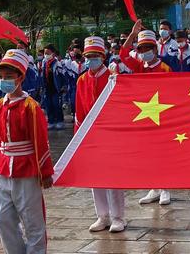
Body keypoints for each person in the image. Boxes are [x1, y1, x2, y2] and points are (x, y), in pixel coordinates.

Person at [0, 49, 54, 253]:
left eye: (9, 77)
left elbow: (41, 141)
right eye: (1, 77)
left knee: (33, 221)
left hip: (27, 168)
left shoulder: (30, 107)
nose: (4, 81)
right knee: (2, 220)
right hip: (5, 169)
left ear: (21, 77)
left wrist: (45, 172)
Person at [75, 37, 126, 233]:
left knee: (113, 177)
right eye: (88, 56)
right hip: (90, 135)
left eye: (95, 56)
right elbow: (79, 110)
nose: (90, 60)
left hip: (111, 134)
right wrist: (78, 136)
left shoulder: (113, 78)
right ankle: (102, 216)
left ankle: (118, 217)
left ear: (103, 57)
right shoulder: (81, 80)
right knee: (95, 177)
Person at [120, 20, 172, 206]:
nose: (144, 52)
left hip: (162, 115)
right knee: (148, 152)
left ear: (155, 49)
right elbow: (123, 55)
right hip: (144, 114)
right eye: (141, 49)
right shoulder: (140, 67)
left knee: (162, 152)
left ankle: (165, 188)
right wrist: (133, 34)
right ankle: (154, 187)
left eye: (147, 48)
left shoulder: (165, 68)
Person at [41, 44, 67, 130]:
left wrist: (63, 86)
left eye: (47, 53)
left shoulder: (57, 63)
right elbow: (43, 76)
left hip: (56, 88)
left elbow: (63, 75)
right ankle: (51, 121)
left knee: (56, 105)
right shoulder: (44, 63)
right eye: (45, 53)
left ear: (53, 53)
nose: (46, 55)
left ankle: (60, 121)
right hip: (47, 88)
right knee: (49, 105)